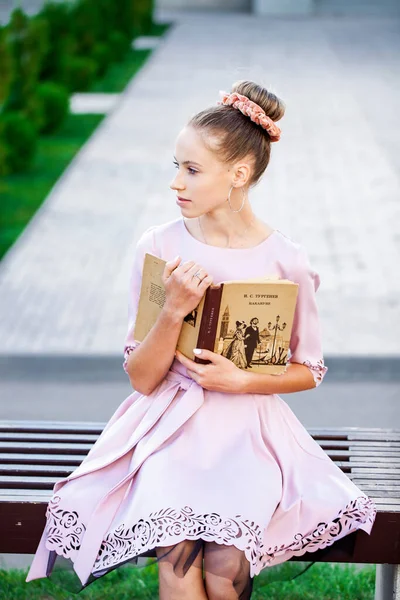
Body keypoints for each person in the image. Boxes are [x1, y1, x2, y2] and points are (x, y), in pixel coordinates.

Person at [26, 80, 377, 599]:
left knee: (223, 563)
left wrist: (240, 379)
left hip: (250, 436)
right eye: (176, 166)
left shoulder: (287, 261)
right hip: (169, 430)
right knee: (178, 557)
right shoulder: (159, 246)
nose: (176, 183)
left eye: (191, 170)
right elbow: (142, 378)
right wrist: (172, 309)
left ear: (238, 175)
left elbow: (310, 370)